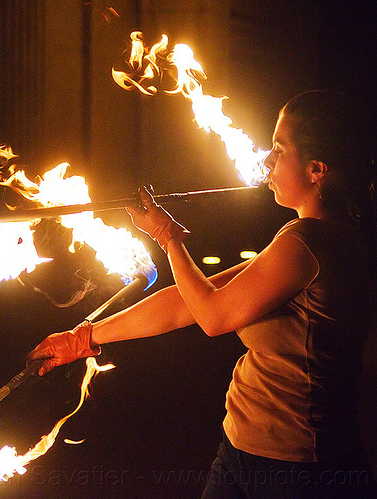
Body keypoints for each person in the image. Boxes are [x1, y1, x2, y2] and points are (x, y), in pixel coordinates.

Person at [27, 90, 376, 498]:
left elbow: (212, 316)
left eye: (279, 150)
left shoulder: (310, 241)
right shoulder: (311, 238)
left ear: (316, 169)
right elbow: (186, 301)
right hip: (242, 451)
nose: (267, 161)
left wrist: (167, 236)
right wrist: (83, 338)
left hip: (297, 470)